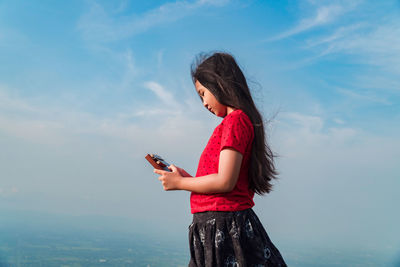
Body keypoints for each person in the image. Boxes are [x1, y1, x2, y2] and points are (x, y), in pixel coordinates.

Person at [154, 52, 287, 267]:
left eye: (203, 93)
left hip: (224, 227)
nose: (203, 103)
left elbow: (225, 181)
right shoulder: (235, 122)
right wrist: (189, 180)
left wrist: (180, 183)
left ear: (220, 84)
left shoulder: (236, 122)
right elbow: (221, 180)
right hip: (217, 226)